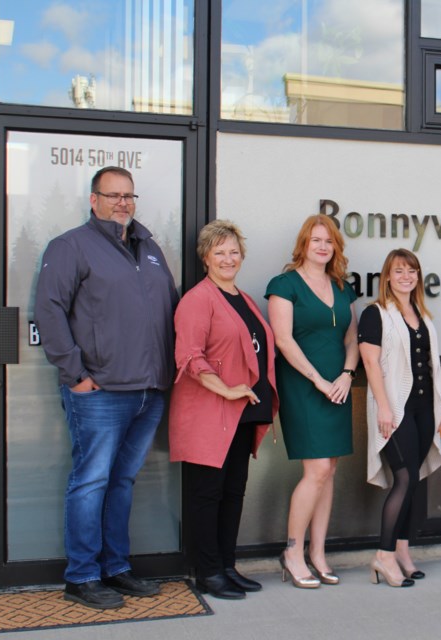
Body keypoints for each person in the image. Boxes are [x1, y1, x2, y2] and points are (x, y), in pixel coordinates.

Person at [34, 167, 178, 609]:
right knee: (91, 481)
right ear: (93, 199)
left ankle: (116, 568)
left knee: (122, 482)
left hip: (148, 389)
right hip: (100, 391)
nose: (123, 203)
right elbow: (50, 312)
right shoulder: (70, 246)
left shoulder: (149, 248)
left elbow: (170, 307)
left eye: (129, 195)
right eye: (113, 195)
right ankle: (81, 576)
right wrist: (77, 376)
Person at [169, 221, 279, 600]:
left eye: (233, 252)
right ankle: (208, 572)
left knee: (233, 492)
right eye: (219, 252)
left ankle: (227, 565)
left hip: (243, 412)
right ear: (205, 258)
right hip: (210, 414)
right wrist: (226, 389)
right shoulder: (198, 299)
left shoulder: (243, 298)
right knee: (207, 494)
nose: (228, 258)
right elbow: (188, 356)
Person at [266, 214, 359, 589]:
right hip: (304, 386)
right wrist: (319, 380)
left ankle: (318, 553)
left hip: (337, 386)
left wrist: (347, 375)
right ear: (303, 243)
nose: (322, 246)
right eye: (315, 240)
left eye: (329, 241)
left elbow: (351, 339)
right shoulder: (284, 284)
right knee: (317, 469)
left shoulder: (341, 286)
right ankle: (292, 551)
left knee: (330, 470)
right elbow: (283, 340)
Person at [359, 249, 441, 588]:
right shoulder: (375, 314)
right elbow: (370, 364)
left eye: (412, 271)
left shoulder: (422, 314)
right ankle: (383, 556)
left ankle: (403, 552)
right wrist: (383, 407)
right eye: (399, 271)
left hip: (425, 409)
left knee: (416, 479)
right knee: (405, 478)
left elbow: (432, 364)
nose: (406, 276)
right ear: (388, 276)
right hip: (395, 408)